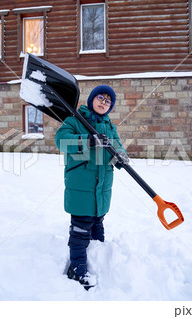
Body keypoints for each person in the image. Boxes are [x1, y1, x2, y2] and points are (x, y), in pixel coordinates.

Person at [55, 85, 129, 290]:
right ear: (91, 100)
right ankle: (77, 267)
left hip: (102, 189)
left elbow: (117, 146)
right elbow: (60, 141)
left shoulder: (109, 126)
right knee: (80, 230)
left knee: (97, 225)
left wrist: (120, 156)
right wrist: (87, 141)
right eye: (100, 97)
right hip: (81, 187)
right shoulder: (75, 120)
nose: (103, 103)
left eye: (108, 101)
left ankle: (99, 256)